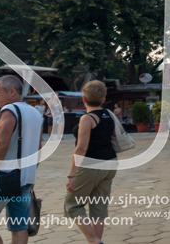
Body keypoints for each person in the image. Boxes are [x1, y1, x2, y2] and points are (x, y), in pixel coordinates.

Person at [0, 75, 43, 244]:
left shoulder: (9, 112)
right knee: (19, 226)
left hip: (2, 179)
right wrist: (31, 174)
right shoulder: (34, 112)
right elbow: (39, 148)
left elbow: (1, 146)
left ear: (11, 91)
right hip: (24, 179)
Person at [65, 80, 117, 244]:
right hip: (110, 163)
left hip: (91, 164)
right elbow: (113, 136)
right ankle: (96, 240)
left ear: (84, 98)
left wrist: (71, 174)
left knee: (72, 205)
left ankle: (94, 240)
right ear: (103, 99)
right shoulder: (109, 114)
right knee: (99, 205)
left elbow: (81, 149)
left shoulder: (87, 119)